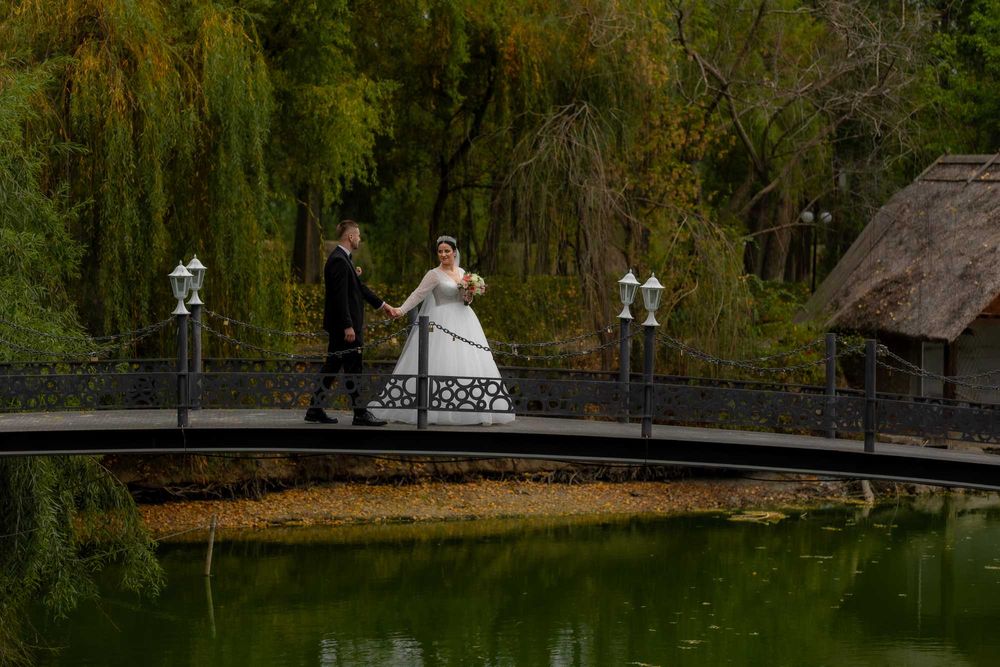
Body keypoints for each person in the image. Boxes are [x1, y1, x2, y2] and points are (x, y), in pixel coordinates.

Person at [371, 235, 515, 425]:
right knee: (440, 359)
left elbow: (465, 300)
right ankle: (432, 408)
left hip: (465, 320)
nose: (443, 254)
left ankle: (472, 407)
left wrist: (470, 293)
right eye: (440, 251)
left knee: (469, 361)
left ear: (454, 252)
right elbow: (418, 294)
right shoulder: (434, 274)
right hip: (441, 321)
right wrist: (401, 309)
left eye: (447, 251)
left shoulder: (462, 272)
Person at [306, 220, 399, 426]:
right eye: (358, 236)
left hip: (342, 326)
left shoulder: (343, 260)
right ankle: (359, 413)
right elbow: (339, 297)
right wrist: (348, 325)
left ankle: (314, 409)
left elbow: (359, 289)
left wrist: (384, 305)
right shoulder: (339, 261)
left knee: (332, 366)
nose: (359, 239)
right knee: (353, 367)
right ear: (350, 237)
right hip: (345, 328)